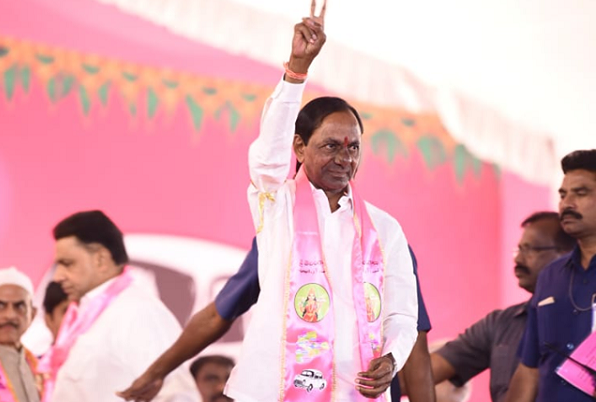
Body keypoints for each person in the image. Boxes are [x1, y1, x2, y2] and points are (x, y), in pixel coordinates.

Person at [227, 2, 418, 400]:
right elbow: (267, 154)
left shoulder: (384, 229)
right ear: (299, 147)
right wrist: (297, 71)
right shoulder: (276, 204)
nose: (345, 158)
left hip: (354, 391)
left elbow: (402, 313)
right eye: (331, 145)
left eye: (353, 147)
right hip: (272, 389)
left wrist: (392, 358)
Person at [38, 210, 198, 402]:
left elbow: (177, 395)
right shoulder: (85, 314)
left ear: (101, 259)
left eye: (67, 263)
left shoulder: (138, 312)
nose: (58, 277)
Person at [414, 212, 575, 402]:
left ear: (568, 254)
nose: (518, 259)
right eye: (519, 249)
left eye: (531, 249)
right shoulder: (500, 323)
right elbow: (426, 371)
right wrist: (385, 372)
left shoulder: (586, 321)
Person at [505, 149, 596, 402]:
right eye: (563, 195)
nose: (567, 204)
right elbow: (529, 369)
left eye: (581, 193)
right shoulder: (550, 276)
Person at [0, 266, 42, 402]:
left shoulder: (41, 368)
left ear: (33, 314)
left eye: (20, 306)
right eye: (1, 306)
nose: (10, 315)